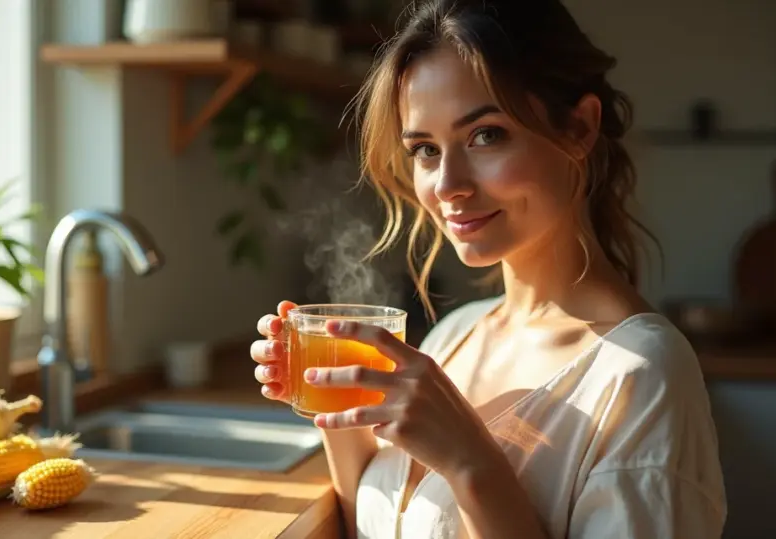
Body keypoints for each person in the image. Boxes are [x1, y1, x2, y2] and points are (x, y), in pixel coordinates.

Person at [250, 0, 728, 538]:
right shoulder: (454, 335)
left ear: (579, 127)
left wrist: (470, 463)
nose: (448, 184)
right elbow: (373, 526)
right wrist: (332, 400)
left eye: (485, 135)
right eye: (426, 149)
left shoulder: (641, 375)